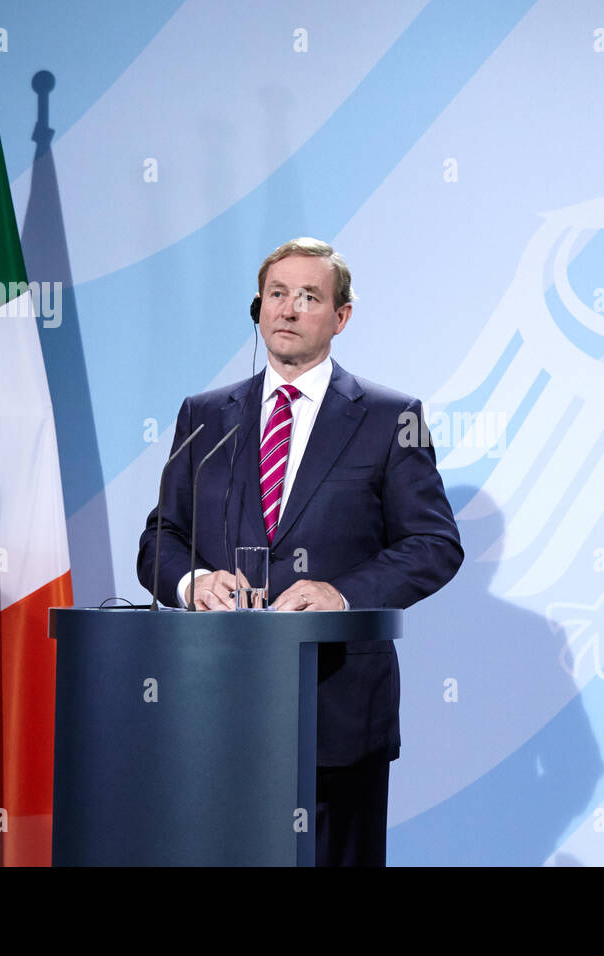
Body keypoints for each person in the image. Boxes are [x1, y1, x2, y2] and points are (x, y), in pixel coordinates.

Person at [137, 237, 463, 866]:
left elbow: (434, 543)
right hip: (217, 700)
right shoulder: (204, 415)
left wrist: (341, 594)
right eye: (276, 295)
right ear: (258, 309)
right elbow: (160, 538)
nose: (287, 309)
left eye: (308, 297)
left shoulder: (394, 416)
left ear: (341, 317)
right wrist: (192, 583)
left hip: (337, 709)